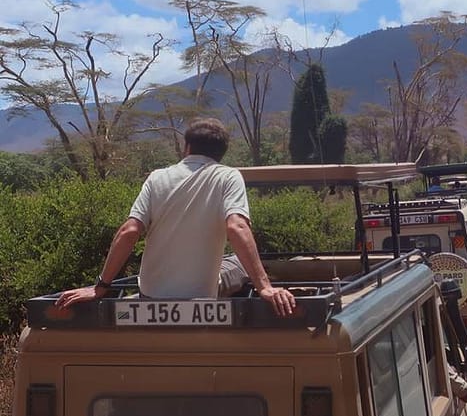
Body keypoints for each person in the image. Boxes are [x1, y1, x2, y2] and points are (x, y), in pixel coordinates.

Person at [56, 118, 295, 317]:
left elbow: (129, 232)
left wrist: (100, 287)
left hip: (150, 296)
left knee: (228, 263)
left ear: (186, 148)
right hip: (200, 300)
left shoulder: (157, 177)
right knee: (237, 263)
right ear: (221, 153)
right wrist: (264, 287)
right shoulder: (228, 176)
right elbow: (237, 227)